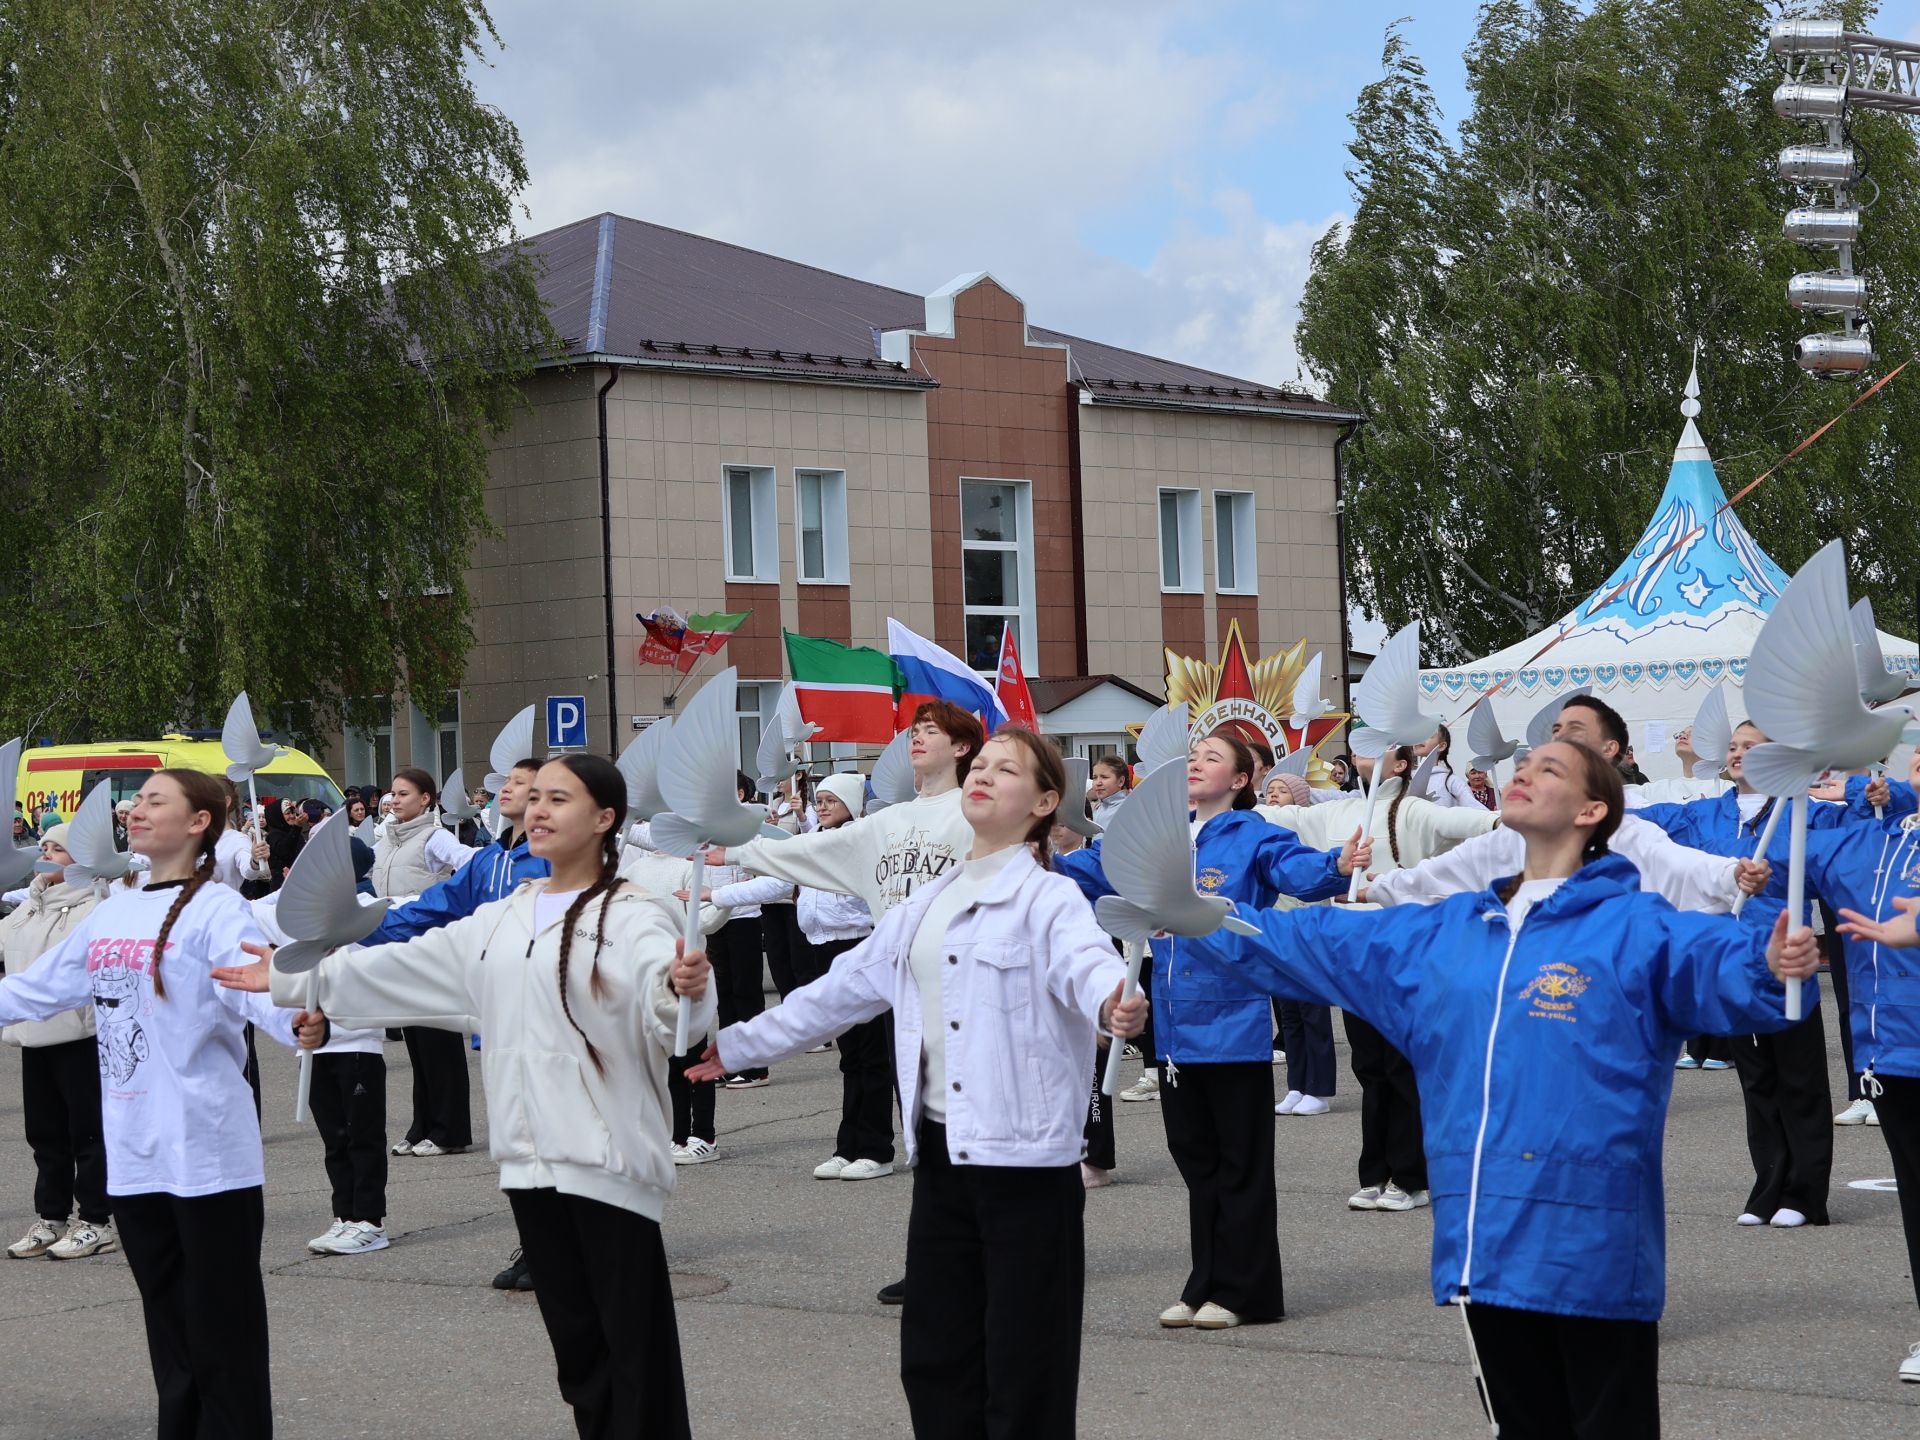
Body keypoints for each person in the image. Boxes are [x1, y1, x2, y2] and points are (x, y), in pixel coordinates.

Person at [1187, 740, 1819, 1433]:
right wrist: (1188, 914)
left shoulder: (1637, 926)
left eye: (1550, 769)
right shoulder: (1448, 929)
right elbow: (1303, 940)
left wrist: (1774, 958)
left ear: (1593, 810)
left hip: (1591, 1243)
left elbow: (1744, 981)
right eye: (1524, 764)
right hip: (1481, 1243)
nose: (1524, 772)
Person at [221, 754, 710, 1438]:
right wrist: (298, 979)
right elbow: (404, 968)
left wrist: (687, 989)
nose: (537, 809)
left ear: (604, 819)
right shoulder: (502, 916)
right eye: (533, 796)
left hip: (609, 1159)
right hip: (529, 1157)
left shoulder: (635, 913)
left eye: (558, 799)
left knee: (636, 1353)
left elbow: (673, 1012)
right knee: (579, 1356)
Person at [686, 727, 1147, 1435]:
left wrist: (1114, 998)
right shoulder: (924, 905)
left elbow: (1087, 966)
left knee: (1026, 1366)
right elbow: (841, 990)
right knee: (935, 1357)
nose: (984, 776)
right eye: (980, 766)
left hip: (1024, 1166)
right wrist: (738, 1043)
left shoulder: (1049, 901)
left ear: (1046, 799)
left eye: (1008, 769)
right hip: (940, 1157)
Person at [0, 769, 315, 1436]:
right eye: (134, 801)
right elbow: (35, 991)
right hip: (134, 1149)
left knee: (221, 1327)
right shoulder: (114, 909)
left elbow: (254, 988)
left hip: (207, 1151)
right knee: (168, 1325)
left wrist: (298, 1021)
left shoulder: (217, 908)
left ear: (200, 821)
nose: (133, 810)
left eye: (153, 801)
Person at [1055, 729, 1370, 1330]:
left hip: (1233, 1023)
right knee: (1196, 1163)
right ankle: (1205, 1281)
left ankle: (1248, 1292)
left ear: (1242, 779)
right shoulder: (1158, 834)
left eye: (1213, 759)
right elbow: (1092, 870)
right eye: (1192, 756)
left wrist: (1337, 863)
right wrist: (1036, 856)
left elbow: (1299, 870)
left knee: (1239, 1165)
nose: (1196, 764)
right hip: (1171, 1031)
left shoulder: (1252, 835)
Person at [1632, 721, 1861, 1227]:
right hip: (1727, 962)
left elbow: (1871, 824)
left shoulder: (1808, 812)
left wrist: (1863, 785)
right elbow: (1629, 822)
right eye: (1734, 747)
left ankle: (1805, 1194)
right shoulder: (1701, 814)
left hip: (1787, 955)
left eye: (1752, 748)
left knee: (1798, 1077)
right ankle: (1768, 1185)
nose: (1737, 753)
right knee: (1757, 1080)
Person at [1261, 744, 1497, 1211]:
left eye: (1378, 748)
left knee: (1400, 1065)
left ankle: (1412, 1177)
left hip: (1406, 952)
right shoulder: (1338, 810)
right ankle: (1375, 1171)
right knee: (1369, 1068)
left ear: (1402, 764)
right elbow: (1276, 820)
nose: (1362, 753)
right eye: (1359, 747)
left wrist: (1503, 819)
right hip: (1350, 955)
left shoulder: (1414, 810)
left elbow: (1469, 825)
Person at [357, 758, 549, 1289]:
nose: (502, 788)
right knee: (515, 1145)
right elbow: (427, 909)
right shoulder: (487, 862)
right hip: (498, 1021)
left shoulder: (554, 863)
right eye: (505, 781)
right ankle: (537, 1244)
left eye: (518, 783)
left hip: (552, 1024)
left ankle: (576, 1244)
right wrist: (355, 929)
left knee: (553, 1139)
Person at [1, 825, 113, 1260]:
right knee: (44, 1134)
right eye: (44, 846)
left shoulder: (97, 907)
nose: (47, 854)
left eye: (58, 848)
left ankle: (96, 1220)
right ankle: (51, 1217)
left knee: (87, 1132)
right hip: (33, 1036)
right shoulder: (29, 906)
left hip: (80, 1035)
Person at [371, 766, 478, 1159]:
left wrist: (434, 905)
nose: (394, 799)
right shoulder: (385, 839)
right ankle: (422, 1125)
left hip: (431, 948)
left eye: (403, 794)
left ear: (426, 799)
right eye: (392, 793)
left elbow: (473, 864)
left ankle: (450, 1129)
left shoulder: (434, 838)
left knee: (439, 1038)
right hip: (398, 948)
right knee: (416, 1040)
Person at [792, 773, 892, 1183]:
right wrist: (718, 892)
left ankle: (876, 1149)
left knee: (870, 1053)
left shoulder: (863, 844)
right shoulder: (813, 841)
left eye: (831, 800)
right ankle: (846, 1146)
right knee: (850, 1054)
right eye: (819, 799)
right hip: (822, 950)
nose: (822, 806)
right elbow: (776, 880)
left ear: (852, 804)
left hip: (858, 948)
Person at [1416, 724, 1477, 808]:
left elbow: (1475, 810)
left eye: (1428, 735)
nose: (1420, 739)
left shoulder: (1452, 781)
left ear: (1441, 746)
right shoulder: (1405, 777)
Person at [1088, 754, 1133, 829]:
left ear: (1121, 781)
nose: (1098, 783)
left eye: (1104, 777)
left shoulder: (1129, 810)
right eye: (1094, 777)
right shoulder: (1099, 807)